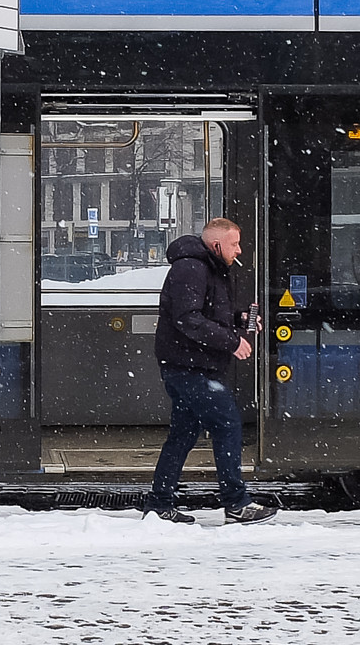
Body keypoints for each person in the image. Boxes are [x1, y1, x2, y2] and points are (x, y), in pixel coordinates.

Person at [144, 217, 277, 525]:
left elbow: (208, 313)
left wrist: (239, 319)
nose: (239, 250)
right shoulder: (191, 268)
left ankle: (160, 503)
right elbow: (188, 318)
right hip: (190, 368)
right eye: (234, 244)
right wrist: (232, 342)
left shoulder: (206, 267)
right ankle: (236, 503)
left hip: (188, 366)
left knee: (183, 434)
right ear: (216, 245)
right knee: (227, 425)